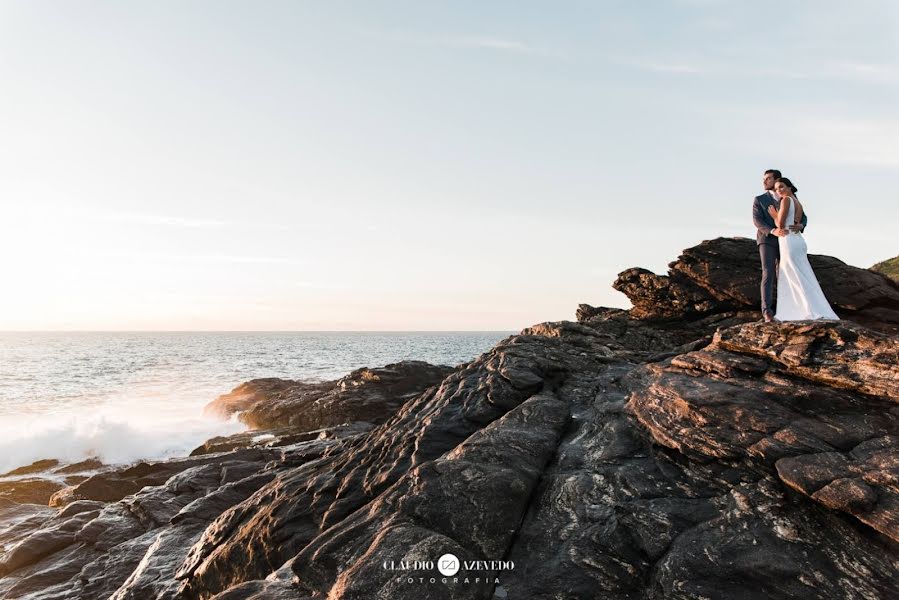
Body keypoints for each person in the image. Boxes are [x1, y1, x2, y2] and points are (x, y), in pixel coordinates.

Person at [767, 177, 839, 322]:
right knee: (803, 275)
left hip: (788, 241)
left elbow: (781, 225)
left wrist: (775, 215)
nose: (779, 190)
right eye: (776, 189)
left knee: (793, 275)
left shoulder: (786, 200)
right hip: (797, 239)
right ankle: (809, 307)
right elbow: (796, 222)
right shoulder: (796, 201)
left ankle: (802, 310)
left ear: (789, 187)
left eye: (781, 187)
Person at [752, 169, 807, 322]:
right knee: (768, 273)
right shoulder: (759, 199)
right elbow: (757, 221)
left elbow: (803, 216)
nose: (764, 182)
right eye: (764, 179)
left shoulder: (789, 197)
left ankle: (791, 309)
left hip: (787, 241)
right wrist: (773, 230)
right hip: (767, 240)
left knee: (785, 273)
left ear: (777, 180)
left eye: (768, 179)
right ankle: (767, 312)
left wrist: (801, 225)